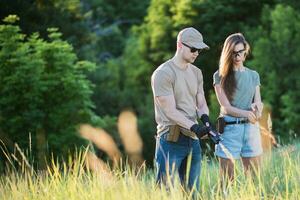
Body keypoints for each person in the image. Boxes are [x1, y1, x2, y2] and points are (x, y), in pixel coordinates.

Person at [151, 27, 216, 192]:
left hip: (193, 140)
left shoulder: (197, 73)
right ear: (180, 45)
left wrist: (206, 123)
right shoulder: (163, 73)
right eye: (193, 49)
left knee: (193, 192)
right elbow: (170, 111)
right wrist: (195, 127)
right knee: (165, 193)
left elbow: (200, 103)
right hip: (170, 139)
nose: (196, 53)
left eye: (199, 50)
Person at [213, 33, 263, 182]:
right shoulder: (220, 76)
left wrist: (258, 109)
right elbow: (226, 107)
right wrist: (246, 114)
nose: (237, 56)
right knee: (227, 182)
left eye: (241, 52)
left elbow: (258, 102)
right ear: (228, 53)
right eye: (234, 53)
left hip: (251, 130)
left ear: (246, 50)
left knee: (255, 180)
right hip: (230, 130)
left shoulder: (253, 75)